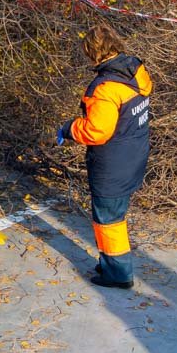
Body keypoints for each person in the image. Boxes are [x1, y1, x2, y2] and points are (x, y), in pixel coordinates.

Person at [55, 24, 152, 290]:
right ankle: (110, 261)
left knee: (109, 219)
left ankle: (118, 275)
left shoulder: (105, 88)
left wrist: (68, 128)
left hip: (113, 163)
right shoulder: (135, 71)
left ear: (92, 52)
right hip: (134, 152)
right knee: (114, 214)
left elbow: (97, 131)